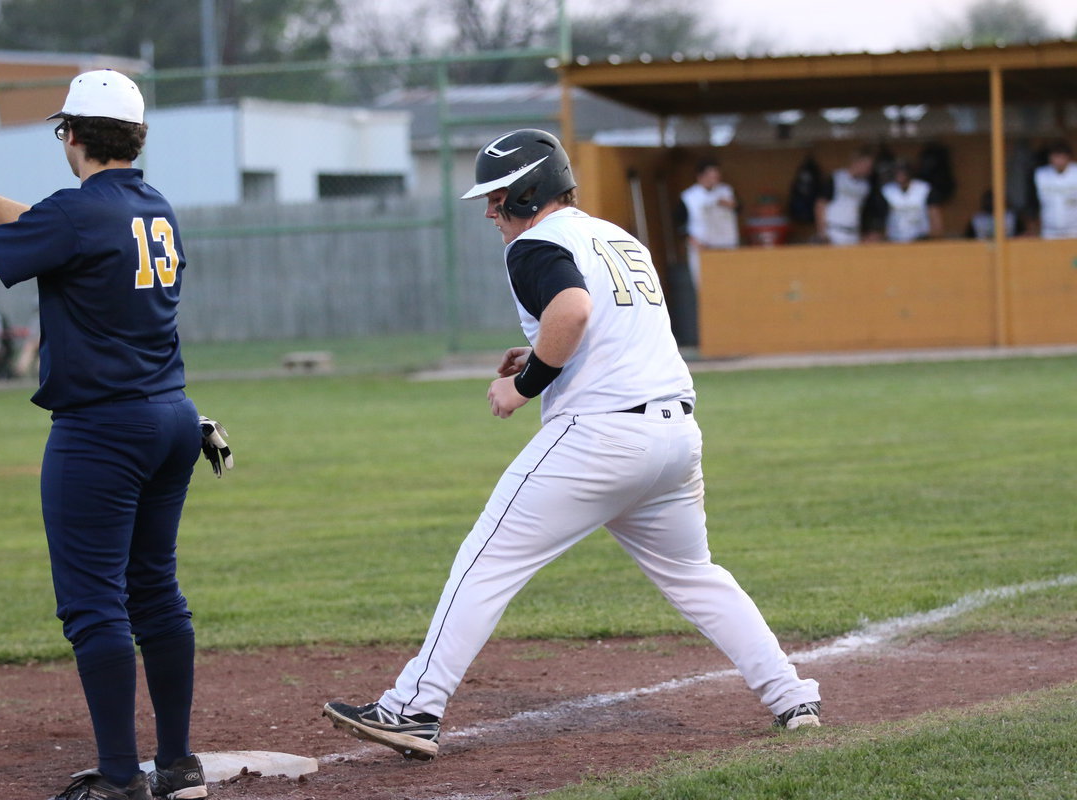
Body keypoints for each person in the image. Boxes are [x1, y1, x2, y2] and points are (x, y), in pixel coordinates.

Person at [323, 129, 822, 762]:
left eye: (498, 197)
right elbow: (611, 330)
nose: (489, 211)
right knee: (697, 575)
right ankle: (790, 697)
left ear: (530, 192)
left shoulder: (535, 241)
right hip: (674, 435)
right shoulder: (618, 236)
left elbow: (574, 313)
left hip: (602, 435)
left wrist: (525, 386)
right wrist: (538, 354)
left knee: (485, 562)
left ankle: (413, 708)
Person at [0, 70, 221, 800]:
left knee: (94, 603)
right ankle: (178, 763)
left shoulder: (76, 214)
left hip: (103, 431)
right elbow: (49, 226)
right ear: (136, 135)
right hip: (173, 418)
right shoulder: (149, 206)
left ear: (71, 133)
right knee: (156, 593)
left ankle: (122, 780)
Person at [677, 157, 739, 288]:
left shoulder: (726, 191)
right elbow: (679, 224)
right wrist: (693, 241)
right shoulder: (689, 196)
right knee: (706, 287)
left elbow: (740, 208)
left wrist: (731, 204)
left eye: (716, 176)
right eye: (710, 176)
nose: (714, 180)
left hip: (727, 246)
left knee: (730, 284)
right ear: (700, 176)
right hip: (702, 248)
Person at [814, 147, 874, 245]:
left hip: (854, 233)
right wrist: (822, 232)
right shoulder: (836, 178)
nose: (869, 170)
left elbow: (863, 212)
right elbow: (820, 204)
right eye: (867, 166)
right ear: (857, 162)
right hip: (834, 231)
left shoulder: (865, 186)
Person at [879, 159, 943, 242]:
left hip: (920, 238)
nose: (900, 175)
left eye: (903, 172)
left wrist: (936, 235)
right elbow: (881, 216)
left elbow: (934, 214)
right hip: (895, 238)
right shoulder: (886, 190)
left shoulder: (924, 189)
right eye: (897, 172)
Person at [1030, 139, 1077, 239]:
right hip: (1049, 231)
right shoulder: (1040, 175)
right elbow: (1032, 203)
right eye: (1056, 157)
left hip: (1074, 230)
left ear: (1068, 157)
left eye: (1062, 157)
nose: (1059, 161)